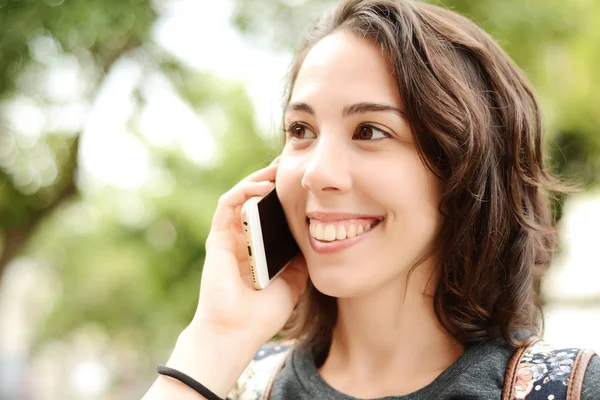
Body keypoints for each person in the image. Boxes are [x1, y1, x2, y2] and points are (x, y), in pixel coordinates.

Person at [143, 0, 599, 399]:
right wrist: (215, 339)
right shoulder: (226, 384)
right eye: (301, 131)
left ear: (465, 167)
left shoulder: (568, 389)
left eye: (370, 131)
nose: (317, 174)